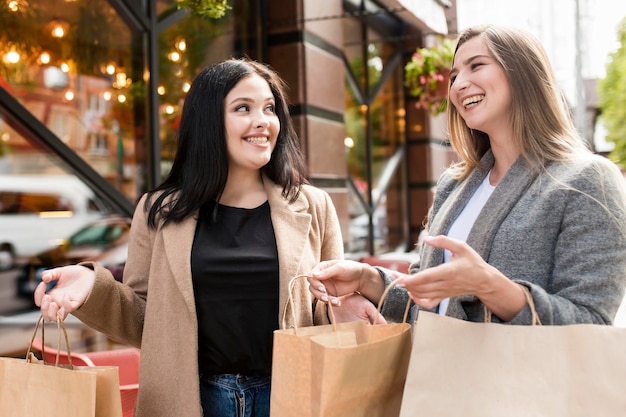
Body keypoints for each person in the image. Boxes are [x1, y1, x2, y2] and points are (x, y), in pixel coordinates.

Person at [34, 58, 346, 417]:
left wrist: (348, 304)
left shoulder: (313, 204)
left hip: (291, 399)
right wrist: (93, 285)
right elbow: (145, 321)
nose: (263, 121)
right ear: (209, 121)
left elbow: (328, 308)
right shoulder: (160, 210)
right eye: (243, 108)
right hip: (191, 400)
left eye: (270, 108)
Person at [308, 25, 626, 326]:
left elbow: (591, 322)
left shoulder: (587, 180)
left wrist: (490, 286)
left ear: (523, 74)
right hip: (439, 377)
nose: (459, 84)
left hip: (524, 382)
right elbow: (427, 303)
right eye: (455, 75)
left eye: (476, 66)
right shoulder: (455, 185)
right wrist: (369, 279)